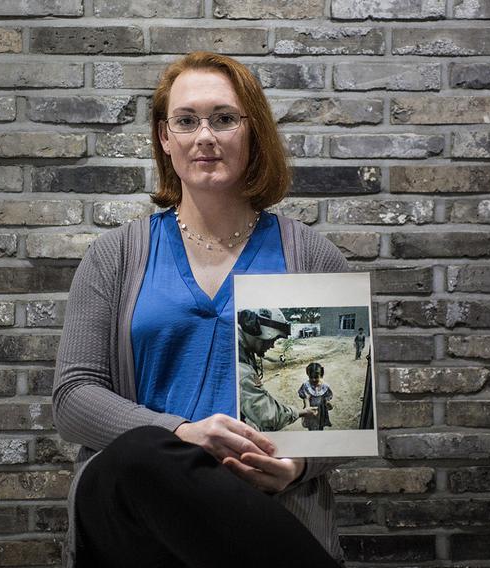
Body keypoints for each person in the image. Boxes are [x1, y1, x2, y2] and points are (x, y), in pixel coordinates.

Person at [52, 51, 348, 568]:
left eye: (224, 118)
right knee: (143, 454)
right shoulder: (115, 256)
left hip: (264, 513)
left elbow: (349, 410)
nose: (204, 136)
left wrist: (297, 466)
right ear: (165, 139)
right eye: (186, 121)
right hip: (134, 525)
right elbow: (74, 398)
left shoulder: (310, 257)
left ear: (252, 132)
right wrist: (180, 436)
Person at [238, 307, 317, 432]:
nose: (272, 345)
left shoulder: (239, 346)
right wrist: (301, 412)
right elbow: (270, 417)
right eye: (273, 340)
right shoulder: (242, 371)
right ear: (255, 329)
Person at [298, 362, 334, 431]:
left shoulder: (325, 386)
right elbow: (306, 398)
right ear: (308, 375)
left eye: (316, 377)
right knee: (311, 425)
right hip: (311, 408)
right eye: (311, 377)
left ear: (321, 375)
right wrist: (308, 409)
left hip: (321, 410)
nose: (313, 379)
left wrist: (328, 403)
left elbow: (326, 399)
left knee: (320, 424)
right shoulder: (306, 385)